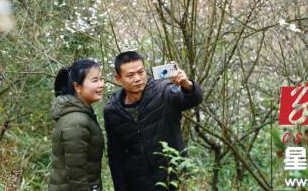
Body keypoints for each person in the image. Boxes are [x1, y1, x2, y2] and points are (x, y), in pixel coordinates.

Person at [104, 51, 203, 191]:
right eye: (130, 75)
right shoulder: (112, 110)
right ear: (118, 78)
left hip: (174, 179)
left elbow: (192, 99)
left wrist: (187, 85)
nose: (138, 78)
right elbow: (116, 157)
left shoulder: (162, 90)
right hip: (139, 184)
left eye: (141, 72)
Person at [49, 59, 105, 191]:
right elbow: (76, 175)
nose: (101, 84)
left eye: (101, 79)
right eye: (95, 80)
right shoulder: (76, 121)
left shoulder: (81, 115)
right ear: (77, 86)